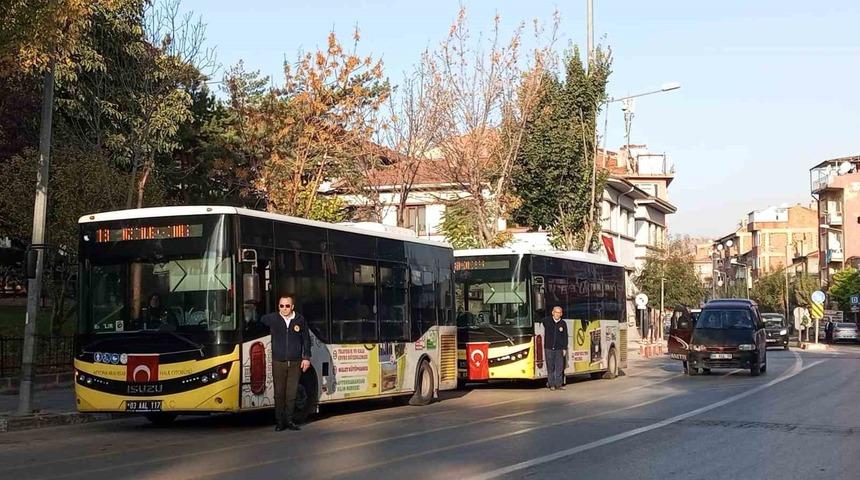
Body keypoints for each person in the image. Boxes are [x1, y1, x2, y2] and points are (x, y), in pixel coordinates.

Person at [260, 295, 311, 431]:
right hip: (279, 361)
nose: (284, 308)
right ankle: (280, 422)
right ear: (278, 307)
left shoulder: (300, 320)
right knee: (279, 393)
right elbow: (259, 319)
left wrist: (306, 357)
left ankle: (289, 420)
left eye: (287, 306)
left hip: (295, 362)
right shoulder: (273, 319)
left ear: (292, 307)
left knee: (291, 393)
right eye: (281, 306)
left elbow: (306, 339)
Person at [542, 305, 568, 391]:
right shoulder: (547, 321)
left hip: (559, 349)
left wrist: (564, 348)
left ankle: (558, 384)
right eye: (556, 312)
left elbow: (565, 337)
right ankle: (551, 384)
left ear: (561, 314)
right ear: (553, 313)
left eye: (559, 312)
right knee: (550, 367)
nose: (557, 314)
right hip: (549, 348)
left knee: (559, 367)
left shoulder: (563, 323)